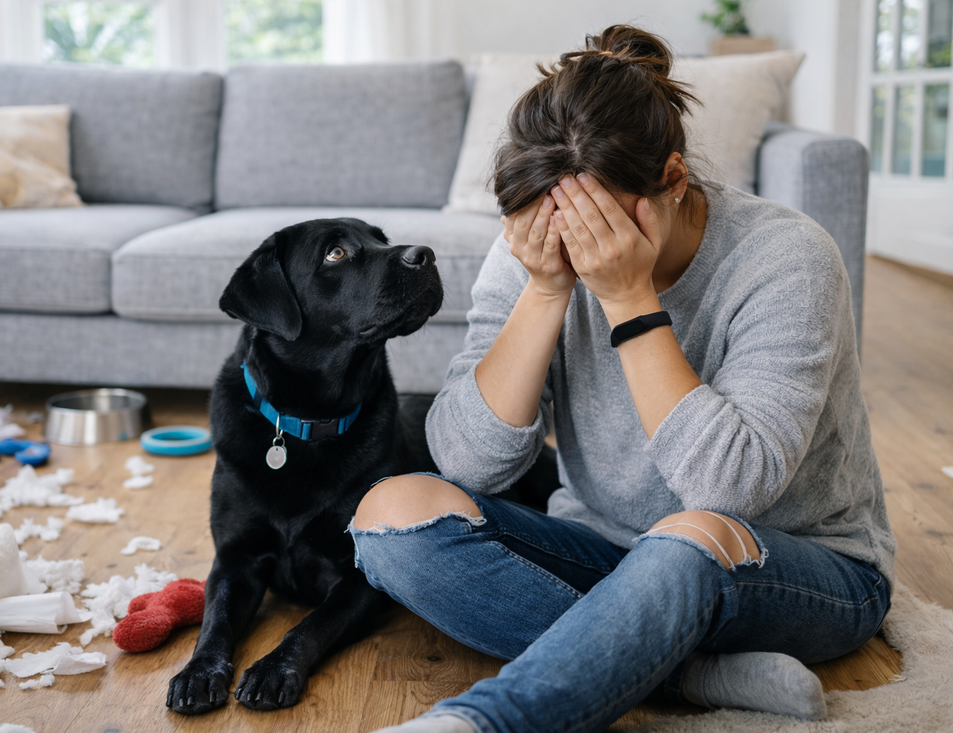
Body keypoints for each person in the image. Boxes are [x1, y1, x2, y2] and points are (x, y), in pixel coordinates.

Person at [347, 24, 896, 733]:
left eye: (601, 218)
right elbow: (466, 461)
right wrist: (543, 293)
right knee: (391, 511)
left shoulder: (787, 258)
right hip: (605, 548)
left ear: (673, 180)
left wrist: (630, 302)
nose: (576, 238)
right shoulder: (533, 242)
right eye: (556, 218)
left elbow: (728, 490)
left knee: (690, 532)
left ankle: (481, 723)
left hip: (792, 562)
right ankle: (684, 670)